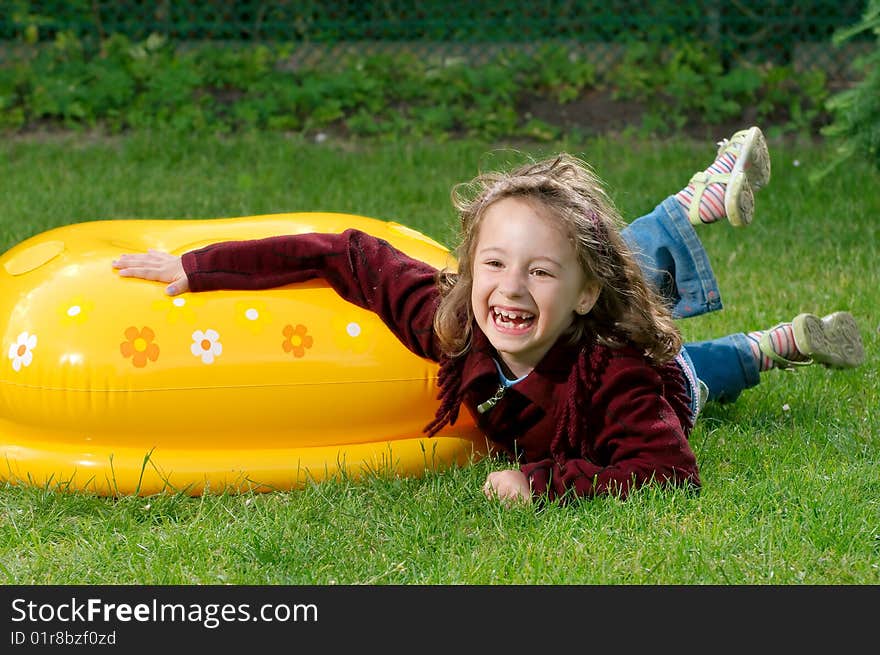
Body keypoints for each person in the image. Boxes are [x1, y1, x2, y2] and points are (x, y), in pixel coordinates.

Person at [112, 126, 865, 506]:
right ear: (470, 269)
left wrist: (545, 481)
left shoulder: (619, 377)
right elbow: (348, 255)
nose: (508, 287)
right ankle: (785, 329)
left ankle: (774, 346)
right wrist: (197, 266)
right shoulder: (457, 321)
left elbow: (668, 469)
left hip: (651, 385)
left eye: (537, 273)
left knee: (693, 372)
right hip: (590, 326)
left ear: (579, 297)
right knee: (588, 259)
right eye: (494, 264)